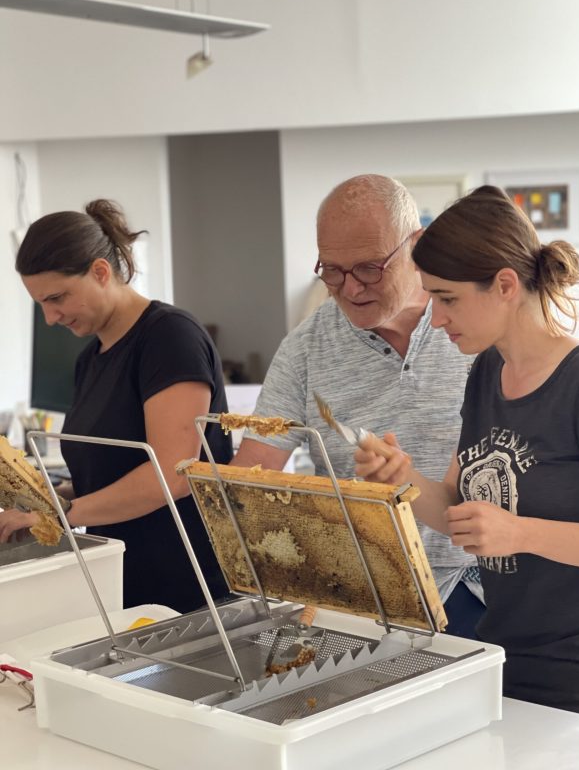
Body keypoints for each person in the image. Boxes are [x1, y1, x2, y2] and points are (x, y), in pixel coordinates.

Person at [355, 184, 579, 717]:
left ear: (505, 285)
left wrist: (521, 533)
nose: (435, 319)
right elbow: (460, 515)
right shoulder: (486, 373)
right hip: (503, 661)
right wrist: (399, 480)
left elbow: (507, 529)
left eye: (447, 298)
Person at [232, 174, 484, 637]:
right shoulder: (306, 349)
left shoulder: (475, 327)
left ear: (417, 245)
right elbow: (251, 480)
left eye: (370, 268)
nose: (350, 289)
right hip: (368, 599)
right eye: (331, 271)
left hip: (481, 587)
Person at [0, 199, 233, 614]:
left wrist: (61, 515)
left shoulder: (170, 339)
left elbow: (174, 473)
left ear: (100, 272)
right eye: (40, 304)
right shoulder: (90, 358)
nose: (50, 317)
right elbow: (109, 473)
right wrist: (47, 500)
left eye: (57, 298)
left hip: (190, 585)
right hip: (124, 579)